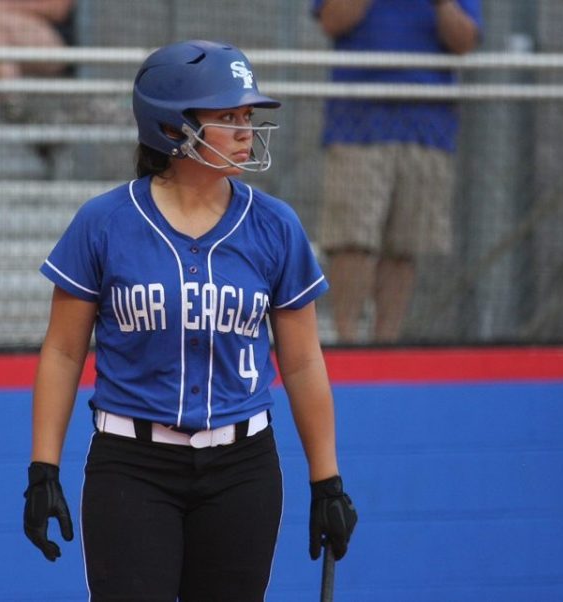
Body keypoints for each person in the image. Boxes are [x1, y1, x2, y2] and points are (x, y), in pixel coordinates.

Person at [22, 40, 358, 601]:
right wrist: (43, 469)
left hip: (244, 468)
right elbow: (61, 353)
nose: (246, 129)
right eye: (227, 116)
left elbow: (301, 362)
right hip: (132, 466)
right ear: (172, 128)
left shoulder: (275, 226)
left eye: (247, 115)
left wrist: (327, 482)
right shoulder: (103, 223)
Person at [313, 0, 482, 343]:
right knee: (352, 240)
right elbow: (332, 21)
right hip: (357, 122)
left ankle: (387, 345)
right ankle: (347, 342)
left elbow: (464, 42)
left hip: (426, 125)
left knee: (404, 244)